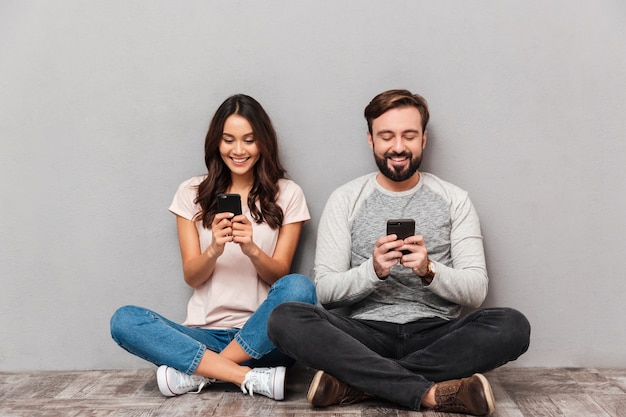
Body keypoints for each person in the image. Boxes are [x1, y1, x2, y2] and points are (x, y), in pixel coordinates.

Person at [267, 89, 530, 415]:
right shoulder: (346, 199)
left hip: (437, 335)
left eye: (408, 135)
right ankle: (431, 394)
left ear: (423, 139)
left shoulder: (454, 199)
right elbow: (326, 292)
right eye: (386, 136)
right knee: (284, 318)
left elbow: (476, 290)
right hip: (363, 336)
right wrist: (373, 270)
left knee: (513, 326)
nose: (398, 147)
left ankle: (358, 384)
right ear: (371, 139)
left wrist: (428, 270)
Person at [110, 94, 317, 401]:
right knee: (124, 320)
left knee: (300, 287)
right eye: (228, 140)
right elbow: (192, 277)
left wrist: (252, 248)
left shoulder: (287, 193)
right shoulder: (191, 193)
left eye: (249, 140)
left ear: (263, 143)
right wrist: (214, 250)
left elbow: (281, 277)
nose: (238, 150)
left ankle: (202, 372)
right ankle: (243, 376)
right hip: (202, 336)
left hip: (263, 339)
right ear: (216, 143)